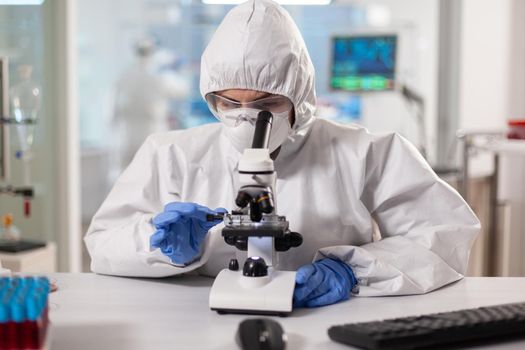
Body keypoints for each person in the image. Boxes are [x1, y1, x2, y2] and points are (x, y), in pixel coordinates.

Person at [85, 0, 480, 308]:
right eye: (228, 102)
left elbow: (445, 235)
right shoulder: (169, 153)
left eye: (266, 103)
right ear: (210, 98)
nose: (245, 118)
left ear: (298, 99)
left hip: (333, 320)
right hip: (194, 321)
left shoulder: (364, 152)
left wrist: (353, 270)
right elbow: (103, 243)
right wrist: (159, 245)